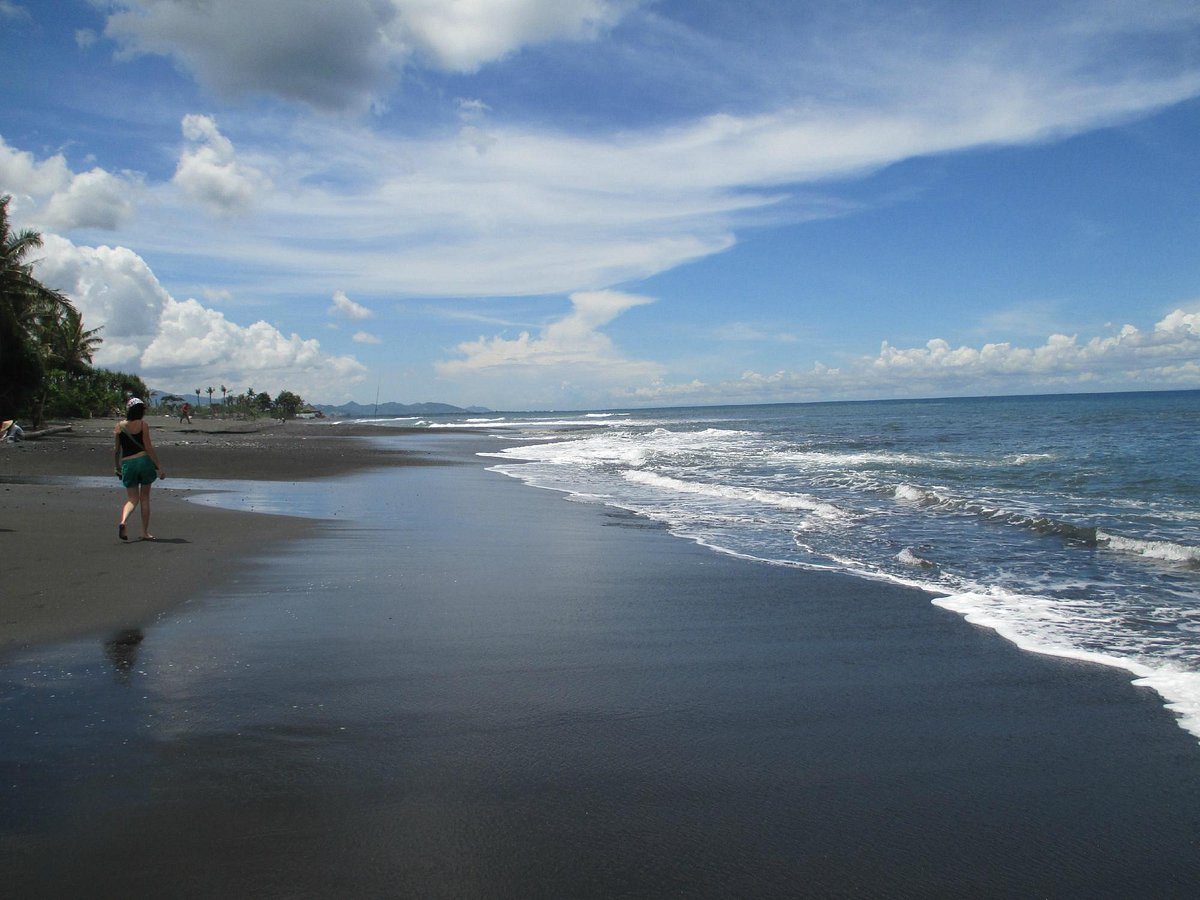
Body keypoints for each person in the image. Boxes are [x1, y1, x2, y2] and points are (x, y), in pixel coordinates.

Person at [114, 397, 165, 541]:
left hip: (128, 463)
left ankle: (123, 521)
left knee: (132, 499)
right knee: (145, 498)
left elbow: (116, 450)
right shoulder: (143, 425)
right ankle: (144, 532)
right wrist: (159, 466)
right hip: (143, 462)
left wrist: (117, 467)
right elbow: (148, 447)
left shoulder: (119, 426)